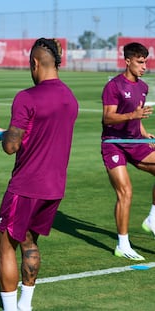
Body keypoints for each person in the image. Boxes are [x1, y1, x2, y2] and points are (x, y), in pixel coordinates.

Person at [0, 38, 78, 311]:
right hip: (54, 187)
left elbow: (11, 146)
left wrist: (3, 136)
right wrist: (15, 130)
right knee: (29, 241)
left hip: (26, 185)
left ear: (35, 63)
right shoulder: (69, 98)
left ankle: (9, 309)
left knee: (4, 245)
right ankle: (25, 305)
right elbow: (40, 131)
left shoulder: (26, 97)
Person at [100, 42, 155, 261]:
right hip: (113, 143)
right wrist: (132, 116)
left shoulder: (143, 87)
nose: (144, 66)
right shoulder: (113, 86)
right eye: (140, 62)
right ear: (128, 61)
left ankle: (152, 218)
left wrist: (144, 131)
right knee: (126, 192)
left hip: (135, 142)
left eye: (146, 62)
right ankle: (123, 244)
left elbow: (137, 116)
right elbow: (108, 117)